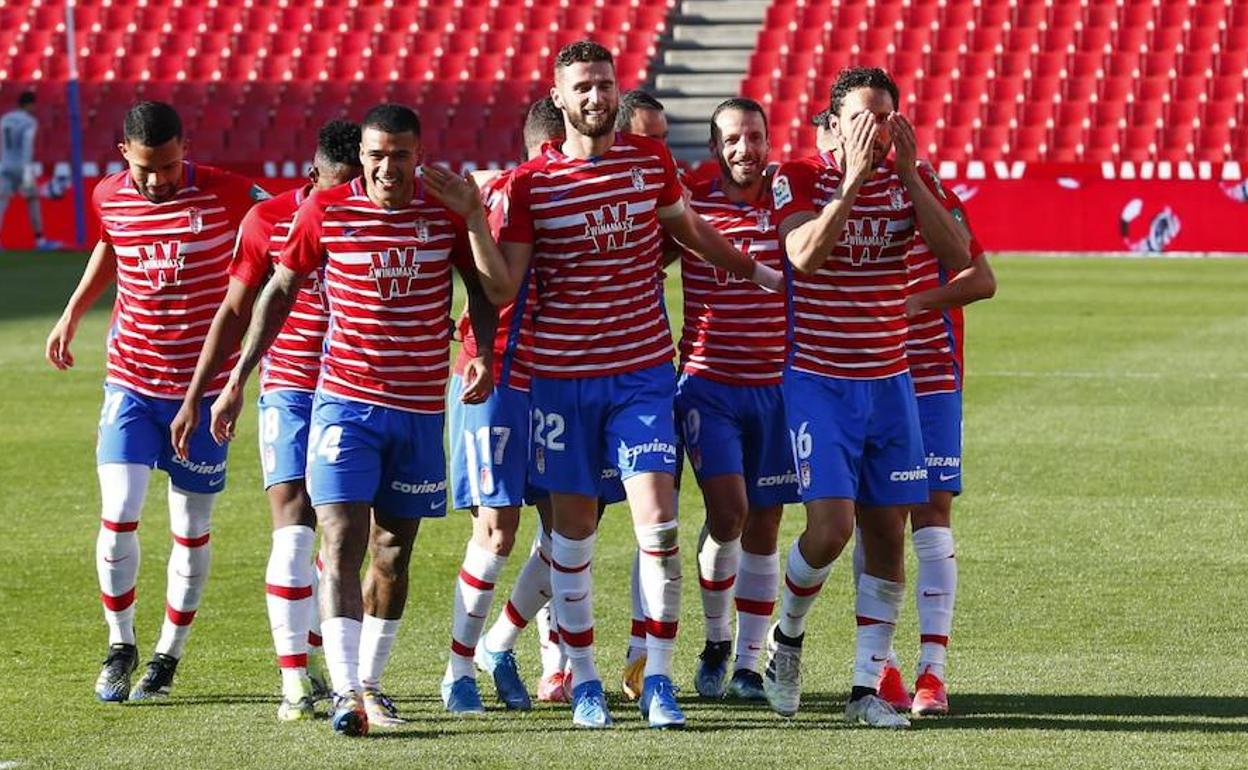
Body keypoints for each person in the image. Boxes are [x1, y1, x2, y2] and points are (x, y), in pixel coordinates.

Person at [491, 40, 782, 729]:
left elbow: (692, 232)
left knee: (660, 531)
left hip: (644, 376)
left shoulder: (650, 163)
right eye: (582, 87)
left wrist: (755, 271)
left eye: (604, 83)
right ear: (558, 99)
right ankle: (585, 679)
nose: (597, 96)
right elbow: (506, 282)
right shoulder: (530, 185)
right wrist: (474, 226)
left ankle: (656, 680)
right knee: (574, 539)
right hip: (562, 383)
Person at [207, 103, 506, 737]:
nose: (387, 167)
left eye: (399, 155)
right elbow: (279, 290)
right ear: (362, 156)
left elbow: (484, 288)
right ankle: (344, 690)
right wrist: (237, 379)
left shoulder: (446, 208)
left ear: (417, 154)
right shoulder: (327, 210)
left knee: (392, 554)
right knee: (338, 539)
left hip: (420, 409)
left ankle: (369, 682)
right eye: (376, 156)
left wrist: (479, 348)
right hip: (344, 403)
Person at [762, 67, 970, 728]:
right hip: (819, 381)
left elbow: (960, 254)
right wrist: (852, 181)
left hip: (892, 384)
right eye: (860, 117)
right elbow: (802, 256)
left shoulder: (916, 179)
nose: (873, 130)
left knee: (887, 533)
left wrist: (908, 176)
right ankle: (786, 638)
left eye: (884, 117)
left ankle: (864, 688)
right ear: (832, 123)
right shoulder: (796, 175)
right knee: (831, 529)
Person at [44, 101, 264, 702]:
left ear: (184, 150)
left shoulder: (226, 193)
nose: (157, 180)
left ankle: (167, 656)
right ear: (124, 156)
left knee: (190, 529)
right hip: (133, 382)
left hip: (207, 388)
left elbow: (285, 220)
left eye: (168, 167)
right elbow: (113, 247)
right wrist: (72, 312)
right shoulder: (109, 196)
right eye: (146, 168)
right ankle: (120, 644)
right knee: (118, 515)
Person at [169, 120, 363, 722]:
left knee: (345, 535)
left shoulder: (383, 209)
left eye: (351, 188)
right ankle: (295, 683)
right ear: (312, 176)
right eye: (334, 189)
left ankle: (333, 663)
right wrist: (212, 390)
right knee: (294, 527)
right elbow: (235, 308)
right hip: (293, 389)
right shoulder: (268, 220)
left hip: (361, 393)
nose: (340, 204)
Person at [858, 172, 996, 717]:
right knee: (878, 518)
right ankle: (881, 664)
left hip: (932, 375)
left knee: (932, 512)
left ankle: (932, 671)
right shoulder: (830, 194)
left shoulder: (931, 193)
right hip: (865, 374)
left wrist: (917, 303)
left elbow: (981, 278)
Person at [678, 98, 799, 701]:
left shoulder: (792, 206)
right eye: (731, 139)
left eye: (753, 136)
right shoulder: (691, 203)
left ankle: (750, 664)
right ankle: (716, 639)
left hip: (778, 387)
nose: (743, 149)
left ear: (769, 140)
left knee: (767, 523)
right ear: (715, 147)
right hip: (708, 383)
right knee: (728, 513)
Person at [0, 90, 59, 249]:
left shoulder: (5, 119)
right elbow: (27, 146)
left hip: (5, 165)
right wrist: (27, 173)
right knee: (32, 200)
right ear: (29, 104)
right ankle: (40, 240)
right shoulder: (29, 122)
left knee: (1, 203)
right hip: (22, 166)